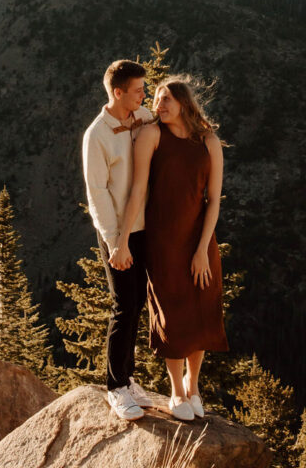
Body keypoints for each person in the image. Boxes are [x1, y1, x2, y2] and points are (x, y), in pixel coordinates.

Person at [115, 76, 228, 421]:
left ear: (183, 102)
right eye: (156, 99)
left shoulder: (208, 140)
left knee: (201, 310)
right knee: (171, 312)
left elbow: (213, 201)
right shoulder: (152, 135)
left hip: (200, 241)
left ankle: (194, 388)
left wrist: (201, 249)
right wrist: (120, 240)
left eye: (165, 100)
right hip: (163, 240)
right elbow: (137, 190)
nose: (158, 106)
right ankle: (177, 392)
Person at [82, 59, 155, 420]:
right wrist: (116, 244)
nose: (146, 95)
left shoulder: (140, 118)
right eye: (139, 90)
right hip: (118, 233)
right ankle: (115, 387)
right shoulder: (96, 135)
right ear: (118, 92)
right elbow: (96, 194)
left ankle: (128, 376)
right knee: (124, 304)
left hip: (145, 227)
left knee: (138, 301)